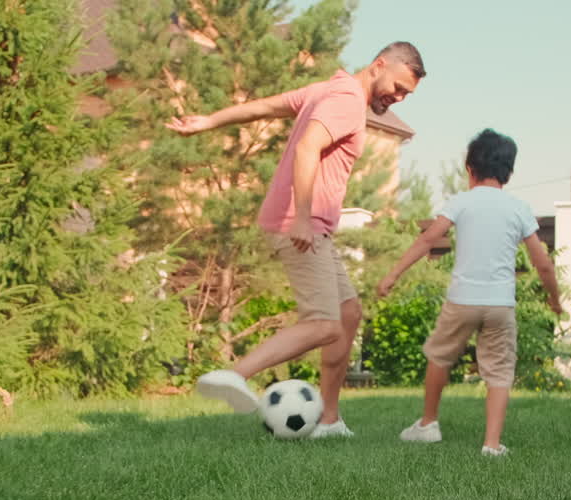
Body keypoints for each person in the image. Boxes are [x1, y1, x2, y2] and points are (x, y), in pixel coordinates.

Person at [166, 42, 426, 439]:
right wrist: (303, 217)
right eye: (398, 87)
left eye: (407, 94)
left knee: (349, 314)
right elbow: (307, 147)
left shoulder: (327, 89)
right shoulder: (346, 100)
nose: (399, 98)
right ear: (379, 65)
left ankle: (329, 421)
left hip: (313, 226)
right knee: (323, 325)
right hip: (303, 224)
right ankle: (234, 374)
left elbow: (266, 106)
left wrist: (210, 121)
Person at [376, 129, 563, 456]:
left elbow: (427, 239)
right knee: (499, 370)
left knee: (439, 356)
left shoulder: (461, 202)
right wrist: (554, 299)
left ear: (469, 167)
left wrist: (393, 274)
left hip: (462, 300)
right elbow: (543, 265)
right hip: (500, 304)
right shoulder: (518, 208)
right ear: (509, 171)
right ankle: (491, 444)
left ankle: (428, 424)